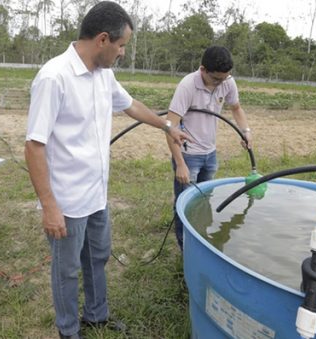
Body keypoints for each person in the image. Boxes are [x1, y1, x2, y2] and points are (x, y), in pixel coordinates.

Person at [23, 2, 189, 338]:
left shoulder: (104, 76)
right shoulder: (55, 77)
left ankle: (96, 316)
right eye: (122, 45)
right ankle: (68, 331)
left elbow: (131, 106)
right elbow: (34, 146)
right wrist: (50, 206)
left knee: (98, 256)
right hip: (67, 201)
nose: (123, 53)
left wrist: (167, 126)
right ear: (103, 40)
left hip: (96, 193)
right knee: (67, 270)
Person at [166, 46, 252, 250]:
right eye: (216, 80)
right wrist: (180, 164)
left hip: (210, 154)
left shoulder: (227, 81)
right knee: (185, 204)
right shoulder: (188, 86)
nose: (221, 84)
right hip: (188, 156)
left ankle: (201, 241)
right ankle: (185, 250)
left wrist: (245, 130)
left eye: (225, 79)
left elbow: (236, 108)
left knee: (204, 200)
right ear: (203, 69)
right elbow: (170, 126)